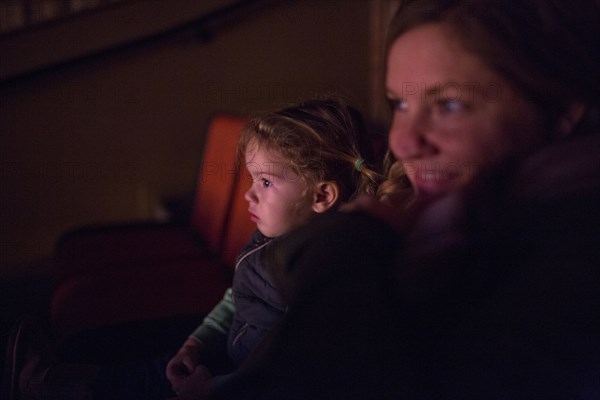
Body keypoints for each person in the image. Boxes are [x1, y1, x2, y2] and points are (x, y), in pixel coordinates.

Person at [208, 1, 600, 399]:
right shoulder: (443, 222)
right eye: (401, 104)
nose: (403, 142)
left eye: (450, 105)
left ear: (560, 111)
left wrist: (344, 246)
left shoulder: (570, 265)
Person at [1, 97, 381, 400]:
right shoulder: (271, 235)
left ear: (322, 196)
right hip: (222, 360)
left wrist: (212, 390)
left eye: (265, 182)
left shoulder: (321, 278)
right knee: (152, 370)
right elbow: (237, 298)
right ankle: (52, 382)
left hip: (234, 385)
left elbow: (288, 375)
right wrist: (196, 342)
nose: (249, 193)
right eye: (252, 179)